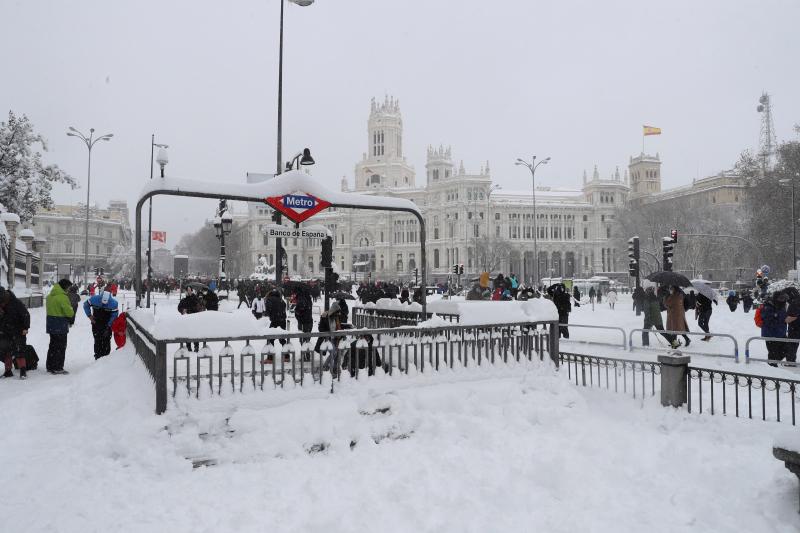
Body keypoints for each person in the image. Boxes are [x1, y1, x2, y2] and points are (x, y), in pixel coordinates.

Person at [45, 279, 75, 374]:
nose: (69, 289)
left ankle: (50, 366)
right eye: (69, 287)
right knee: (61, 347)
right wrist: (71, 309)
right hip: (60, 324)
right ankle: (58, 367)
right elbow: (69, 313)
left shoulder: (50, 296)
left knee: (53, 346)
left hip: (51, 324)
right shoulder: (63, 297)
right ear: (65, 286)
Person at [0, 287, 30, 379]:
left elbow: (26, 315)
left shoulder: (16, 303)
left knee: (19, 350)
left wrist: (25, 327)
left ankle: (23, 371)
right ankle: (8, 371)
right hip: (4, 330)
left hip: (18, 330)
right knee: (6, 351)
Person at [83, 290, 119, 360]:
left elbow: (114, 315)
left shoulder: (114, 303)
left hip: (107, 323)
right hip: (96, 322)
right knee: (97, 339)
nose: (104, 303)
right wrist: (89, 316)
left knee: (106, 339)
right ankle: (97, 356)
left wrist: (109, 325)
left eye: (106, 303)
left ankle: (106, 357)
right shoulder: (94, 299)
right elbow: (85, 305)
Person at [761, 292, 787, 366]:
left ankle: (774, 362)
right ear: (776, 298)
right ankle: (772, 368)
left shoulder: (782, 306)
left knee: (786, 349)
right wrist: (779, 318)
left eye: (784, 298)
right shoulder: (768, 306)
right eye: (781, 298)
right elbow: (767, 320)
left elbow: (782, 316)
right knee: (773, 352)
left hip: (781, 333)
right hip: (771, 334)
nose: (783, 300)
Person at [177, 287, 203, 352]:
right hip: (186, 319)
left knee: (195, 333)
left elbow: (198, 308)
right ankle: (188, 347)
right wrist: (182, 310)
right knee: (187, 332)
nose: (188, 292)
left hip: (194, 319)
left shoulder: (195, 299)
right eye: (187, 290)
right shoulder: (183, 300)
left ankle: (196, 346)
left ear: (192, 291)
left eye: (189, 290)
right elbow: (179, 307)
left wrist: (188, 310)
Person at [783, 288, 800, 364]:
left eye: (786, 296)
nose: (786, 298)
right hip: (796, 327)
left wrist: (784, 319)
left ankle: (790, 361)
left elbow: (791, 317)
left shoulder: (794, 303)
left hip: (795, 328)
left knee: (792, 344)